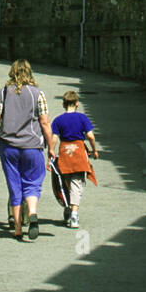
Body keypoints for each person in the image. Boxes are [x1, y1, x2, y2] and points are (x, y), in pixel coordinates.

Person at [0, 59, 53, 240]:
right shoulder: (37, 94)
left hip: (8, 145)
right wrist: (50, 146)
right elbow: (44, 122)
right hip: (32, 145)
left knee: (14, 184)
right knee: (32, 182)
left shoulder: (3, 93)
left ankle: (17, 227)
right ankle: (32, 213)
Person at [50, 90, 98, 229]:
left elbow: (54, 138)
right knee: (77, 185)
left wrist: (51, 151)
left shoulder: (58, 120)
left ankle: (69, 210)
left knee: (67, 183)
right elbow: (90, 136)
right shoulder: (82, 118)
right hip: (78, 152)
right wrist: (94, 150)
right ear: (77, 103)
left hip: (65, 152)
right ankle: (74, 215)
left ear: (63, 104)